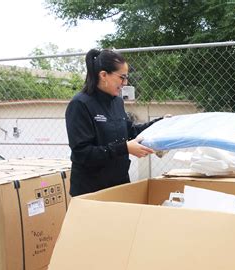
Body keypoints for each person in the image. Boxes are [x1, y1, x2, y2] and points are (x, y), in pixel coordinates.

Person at [65, 48, 165, 197]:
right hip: (91, 189)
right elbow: (82, 153)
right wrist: (124, 148)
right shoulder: (80, 104)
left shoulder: (117, 102)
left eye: (126, 78)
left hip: (119, 184)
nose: (125, 83)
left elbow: (131, 132)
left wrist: (161, 123)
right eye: (122, 77)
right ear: (104, 75)